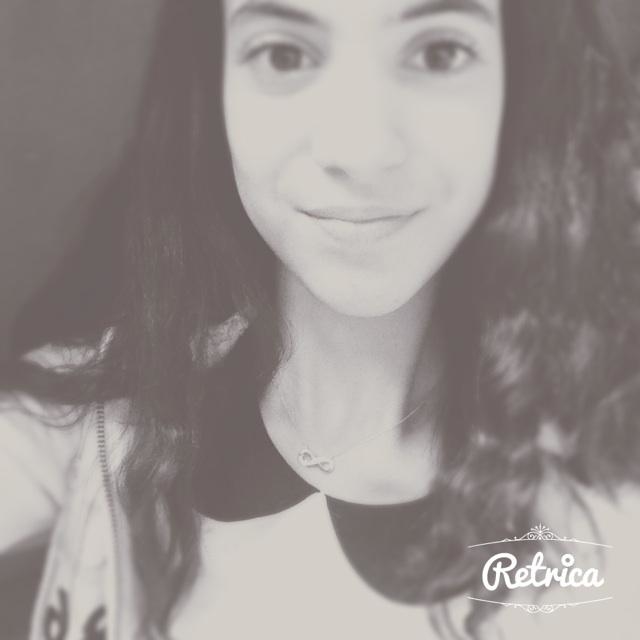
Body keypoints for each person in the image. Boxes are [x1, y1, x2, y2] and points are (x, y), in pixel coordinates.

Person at [1, 1, 639, 638]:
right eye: (284, 55)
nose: (359, 150)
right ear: (215, 86)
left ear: (520, 82)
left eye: (439, 53)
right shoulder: (112, 403)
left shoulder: (607, 535)